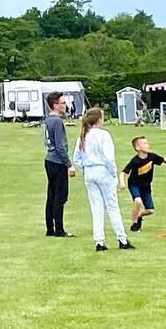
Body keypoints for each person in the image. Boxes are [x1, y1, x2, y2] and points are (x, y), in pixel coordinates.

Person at [74, 106, 132, 252]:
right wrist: (113, 173)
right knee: (112, 206)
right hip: (103, 170)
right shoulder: (104, 135)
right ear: (99, 120)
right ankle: (122, 239)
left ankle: (99, 241)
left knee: (96, 208)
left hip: (89, 172)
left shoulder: (83, 136)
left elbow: (76, 158)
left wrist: (85, 169)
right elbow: (108, 157)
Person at [122, 134, 166, 232]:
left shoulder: (152, 157)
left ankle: (139, 215)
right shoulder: (135, 161)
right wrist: (122, 183)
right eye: (144, 143)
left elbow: (163, 159)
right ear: (137, 148)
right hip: (134, 184)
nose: (147, 145)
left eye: (147, 143)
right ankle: (134, 224)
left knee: (150, 210)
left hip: (146, 187)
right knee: (138, 201)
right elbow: (124, 172)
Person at [42, 90, 74, 238]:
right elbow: (60, 147)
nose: (65, 105)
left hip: (49, 160)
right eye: (63, 103)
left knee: (51, 195)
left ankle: (50, 228)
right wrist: (69, 165)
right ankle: (59, 230)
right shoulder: (57, 122)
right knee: (60, 196)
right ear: (55, 105)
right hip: (57, 162)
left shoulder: (47, 120)